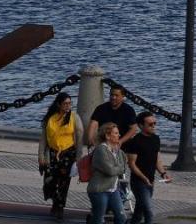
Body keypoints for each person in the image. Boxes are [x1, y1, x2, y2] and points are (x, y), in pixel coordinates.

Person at [37, 92, 83, 220]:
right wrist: (41, 156)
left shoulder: (74, 117)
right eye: (65, 104)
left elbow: (79, 139)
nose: (68, 106)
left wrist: (79, 158)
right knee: (50, 180)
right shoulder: (50, 118)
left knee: (63, 182)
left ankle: (60, 206)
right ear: (59, 104)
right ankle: (54, 201)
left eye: (69, 103)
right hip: (52, 153)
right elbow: (43, 139)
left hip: (68, 154)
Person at [122, 112, 171, 224]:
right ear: (141, 126)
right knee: (148, 211)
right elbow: (132, 164)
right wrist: (144, 178)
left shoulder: (156, 139)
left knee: (139, 211)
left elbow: (157, 160)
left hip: (150, 181)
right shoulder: (135, 141)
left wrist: (163, 173)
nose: (153, 126)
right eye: (150, 124)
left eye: (155, 123)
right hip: (139, 182)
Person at [86, 123, 130, 224]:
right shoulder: (101, 150)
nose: (119, 135)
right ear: (107, 136)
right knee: (98, 219)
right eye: (116, 133)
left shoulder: (117, 151)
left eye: (118, 133)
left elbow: (123, 169)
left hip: (113, 190)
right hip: (99, 190)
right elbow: (110, 171)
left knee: (122, 217)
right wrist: (119, 167)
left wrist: (118, 167)